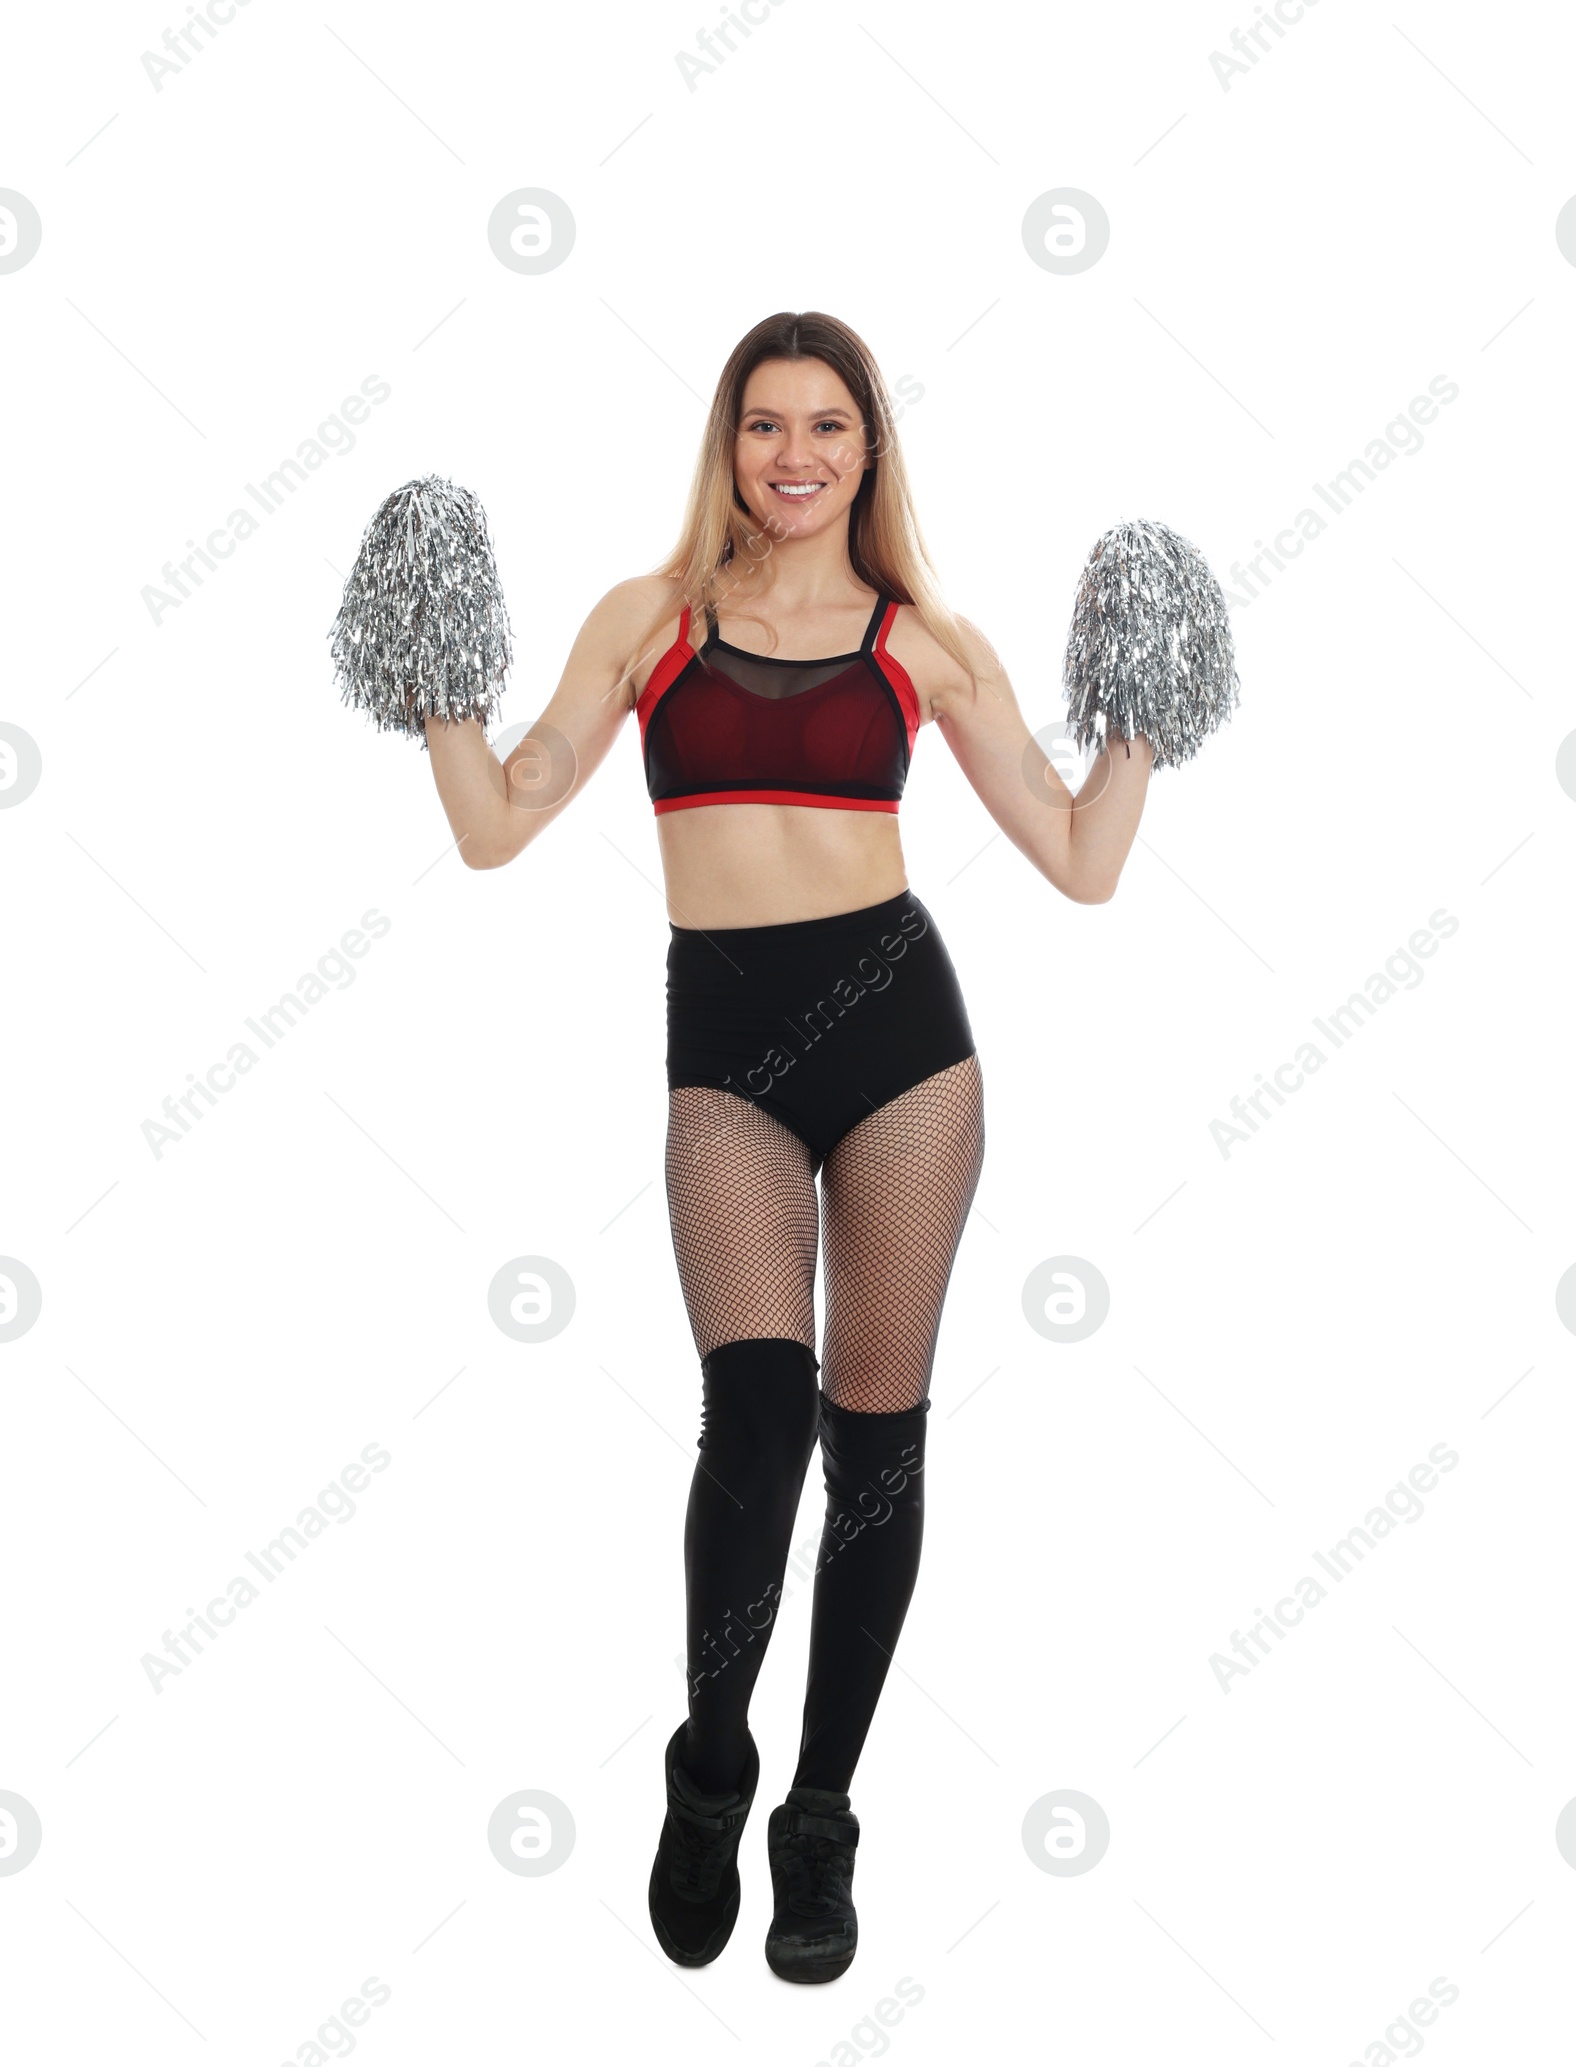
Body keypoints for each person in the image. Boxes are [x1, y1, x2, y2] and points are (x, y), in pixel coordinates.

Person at [422, 310, 1154, 1984]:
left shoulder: (924, 639)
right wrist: (432, 683)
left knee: (873, 1443)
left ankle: (819, 1818)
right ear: (727, 442)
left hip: (904, 1054)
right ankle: (709, 1767)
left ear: (869, 450)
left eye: (830, 426)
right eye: (767, 425)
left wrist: (1143, 719)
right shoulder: (649, 621)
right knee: (753, 1420)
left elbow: (1079, 858)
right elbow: (493, 825)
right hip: (729, 1061)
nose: (797, 455)